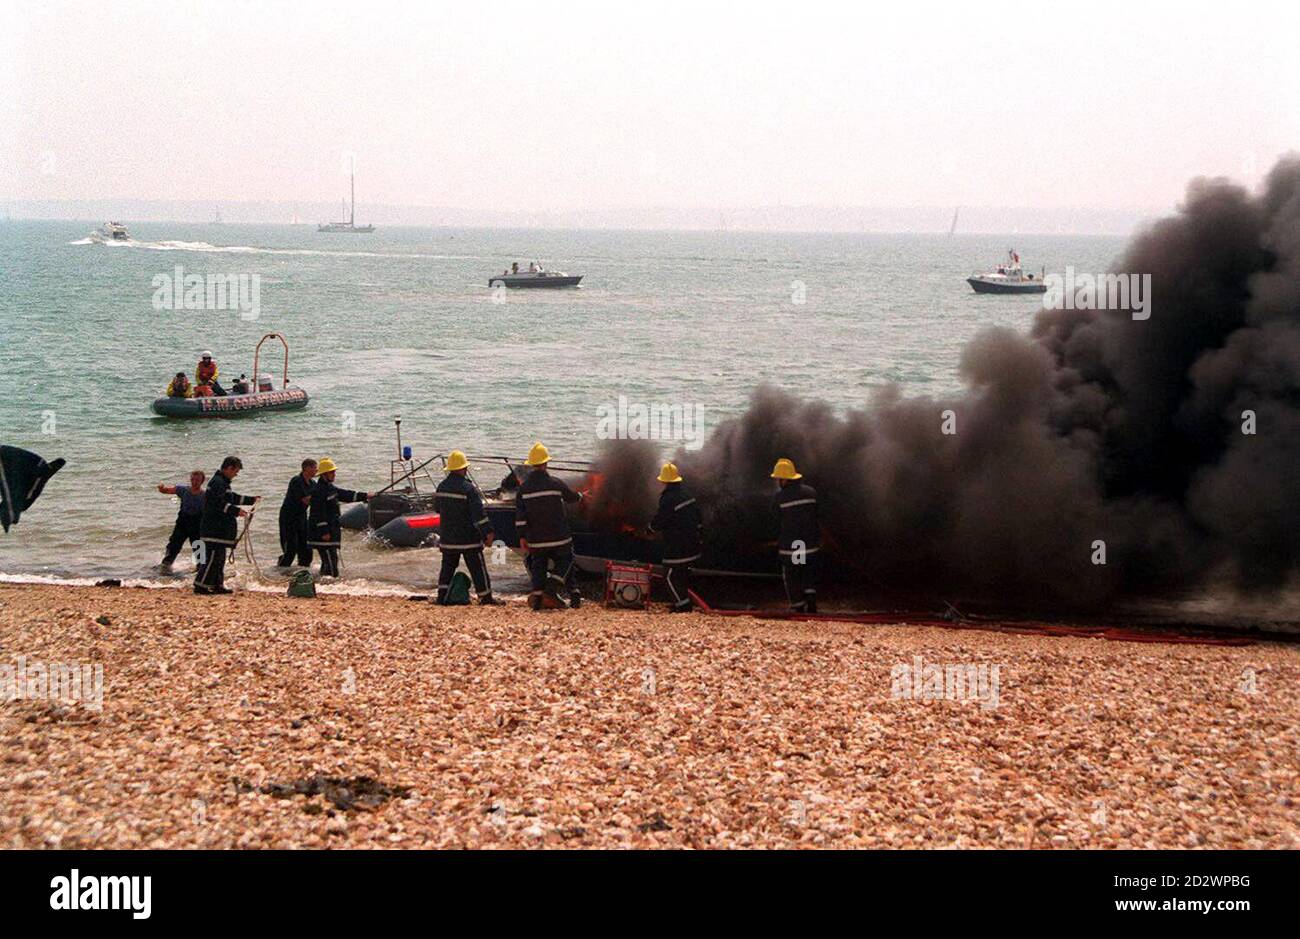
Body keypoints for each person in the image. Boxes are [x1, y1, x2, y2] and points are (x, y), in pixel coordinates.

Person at [515, 442, 583, 610]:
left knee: (539, 566)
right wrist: (582, 495)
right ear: (546, 463)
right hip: (559, 537)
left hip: (536, 540)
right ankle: (554, 587)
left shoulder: (523, 489)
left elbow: (520, 518)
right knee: (567, 561)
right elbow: (571, 497)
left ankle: (538, 599)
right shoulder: (555, 483)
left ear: (531, 465)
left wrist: (522, 537)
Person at [433, 451, 503, 605]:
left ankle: (441, 596)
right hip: (468, 538)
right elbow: (479, 516)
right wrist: (488, 533)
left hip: (448, 538)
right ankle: (485, 597)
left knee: (447, 568)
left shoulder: (441, 487)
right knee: (477, 569)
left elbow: (437, 509)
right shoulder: (468, 489)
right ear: (463, 468)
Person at [195, 456, 258, 595]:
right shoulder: (218, 482)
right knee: (212, 558)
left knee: (219, 558)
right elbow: (217, 503)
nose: (236, 475)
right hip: (214, 528)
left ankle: (217, 584)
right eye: (235, 471)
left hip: (219, 529)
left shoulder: (222, 482)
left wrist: (250, 500)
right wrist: (237, 511)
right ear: (229, 468)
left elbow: (231, 498)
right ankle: (201, 585)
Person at [648, 462, 702, 613]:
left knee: (670, 577)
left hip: (679, 547)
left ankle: (682, 607)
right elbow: (698, 517)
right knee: (681, 576)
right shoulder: (687, 494)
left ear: (664, 481)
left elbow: (661, 519)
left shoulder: (668, 498)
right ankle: (682, 604)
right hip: (693, 544)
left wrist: (650, 529)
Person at [771, 458, 820, 613]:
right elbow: (818, 515)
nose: (778, 482)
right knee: (807, 572)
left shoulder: (780, 498)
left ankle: (798, 606)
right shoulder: (811, 492)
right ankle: (811, 601)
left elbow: (775, 521)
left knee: (793, 574)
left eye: (779, 479)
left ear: (785, 479)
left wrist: (774, 539)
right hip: (809, 543)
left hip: (793, 544)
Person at [308, 458, 370, 578]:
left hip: (330, 530)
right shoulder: (319, 491)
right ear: (325, 474)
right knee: (331, 564)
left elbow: (346, 494)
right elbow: (318, 513)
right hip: (322, 534)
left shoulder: (329, 487)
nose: (334, 475)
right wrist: (324, 532)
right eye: (332, 472)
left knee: (329, 561)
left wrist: (365, 496)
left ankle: (324, 583)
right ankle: (330, 585)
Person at [157, 470, 206, 571]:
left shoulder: (205, 495)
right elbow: (168, 490)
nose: (194, 482)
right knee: (174, 545)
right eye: (193, 479)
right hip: (182, 523)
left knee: (199, 547)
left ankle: (201, 570)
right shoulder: (184, 490)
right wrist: (161, 488)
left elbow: (217, 506)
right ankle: (165, 566)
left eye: (197, 480)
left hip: (197, 525)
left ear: (202, 481)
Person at [276, 459, 317, 568]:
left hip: (302, 517)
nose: (316, 470)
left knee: (307, 550)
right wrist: (319, 497)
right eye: (314, 467)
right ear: (307, 468)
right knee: (290, 549)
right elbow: (305, 500)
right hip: (288, 518)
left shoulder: (313, 484)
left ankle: (303, 572)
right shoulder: (296, 481)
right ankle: (279, 572)